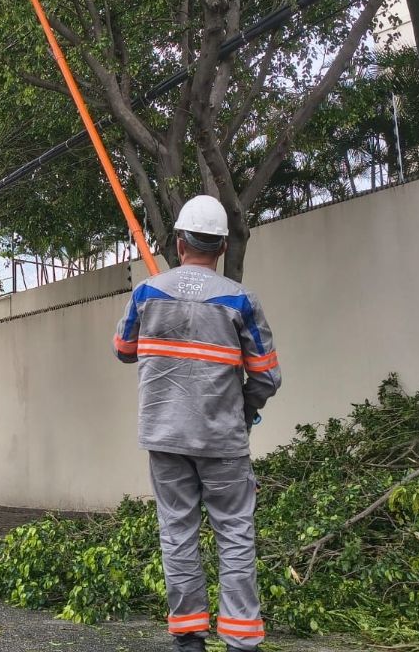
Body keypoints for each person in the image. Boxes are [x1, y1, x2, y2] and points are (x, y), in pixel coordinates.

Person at [113, 195, 282, 652]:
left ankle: (188, 637)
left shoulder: (147, 293)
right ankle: (241, 642)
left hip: (166, 438)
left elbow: (122, 350)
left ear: (180, 241)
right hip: (223, 440)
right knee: (235, 535)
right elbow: (266, 375)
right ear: (223, 247)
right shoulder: (240, 300)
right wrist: (244, 412)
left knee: (178, 532)